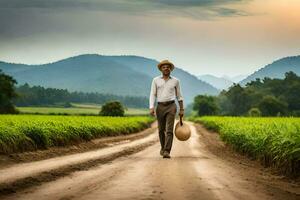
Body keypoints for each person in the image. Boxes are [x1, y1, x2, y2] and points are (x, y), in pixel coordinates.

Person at [149, 59, 184, 159]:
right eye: (164, 67)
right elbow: (152, 94)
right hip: (160, 106)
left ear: (170, 69)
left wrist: (181, 109)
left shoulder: (176, 81)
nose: (166, 69)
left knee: (169, 130)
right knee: (161, 130)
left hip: (171, 106)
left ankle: (167, 151)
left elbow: (179, 96)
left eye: (168, 67)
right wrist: (151, 107)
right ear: (161, 69)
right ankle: (163, 147)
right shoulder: (155, 80)